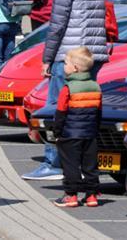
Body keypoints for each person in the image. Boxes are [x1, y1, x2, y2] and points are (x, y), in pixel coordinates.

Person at [22, 0, 107, 181]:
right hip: (93, 53)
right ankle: (83, 162)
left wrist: (47, 57)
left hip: (69, 55)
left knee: (57, 109)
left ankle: (54, 161)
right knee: (85, 111)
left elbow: (57, 24)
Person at [52, 46, 102, 209]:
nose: (63, 66)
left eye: (65, 63)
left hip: (70, 133)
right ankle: (92, 195)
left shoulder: (67, 89)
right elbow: (98, 112)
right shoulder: (96, 87)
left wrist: (57, 132)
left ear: (74, 68)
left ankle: (71, 195)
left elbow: (60, 113)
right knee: (90, 165)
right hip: (90, 133)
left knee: (71, 164)